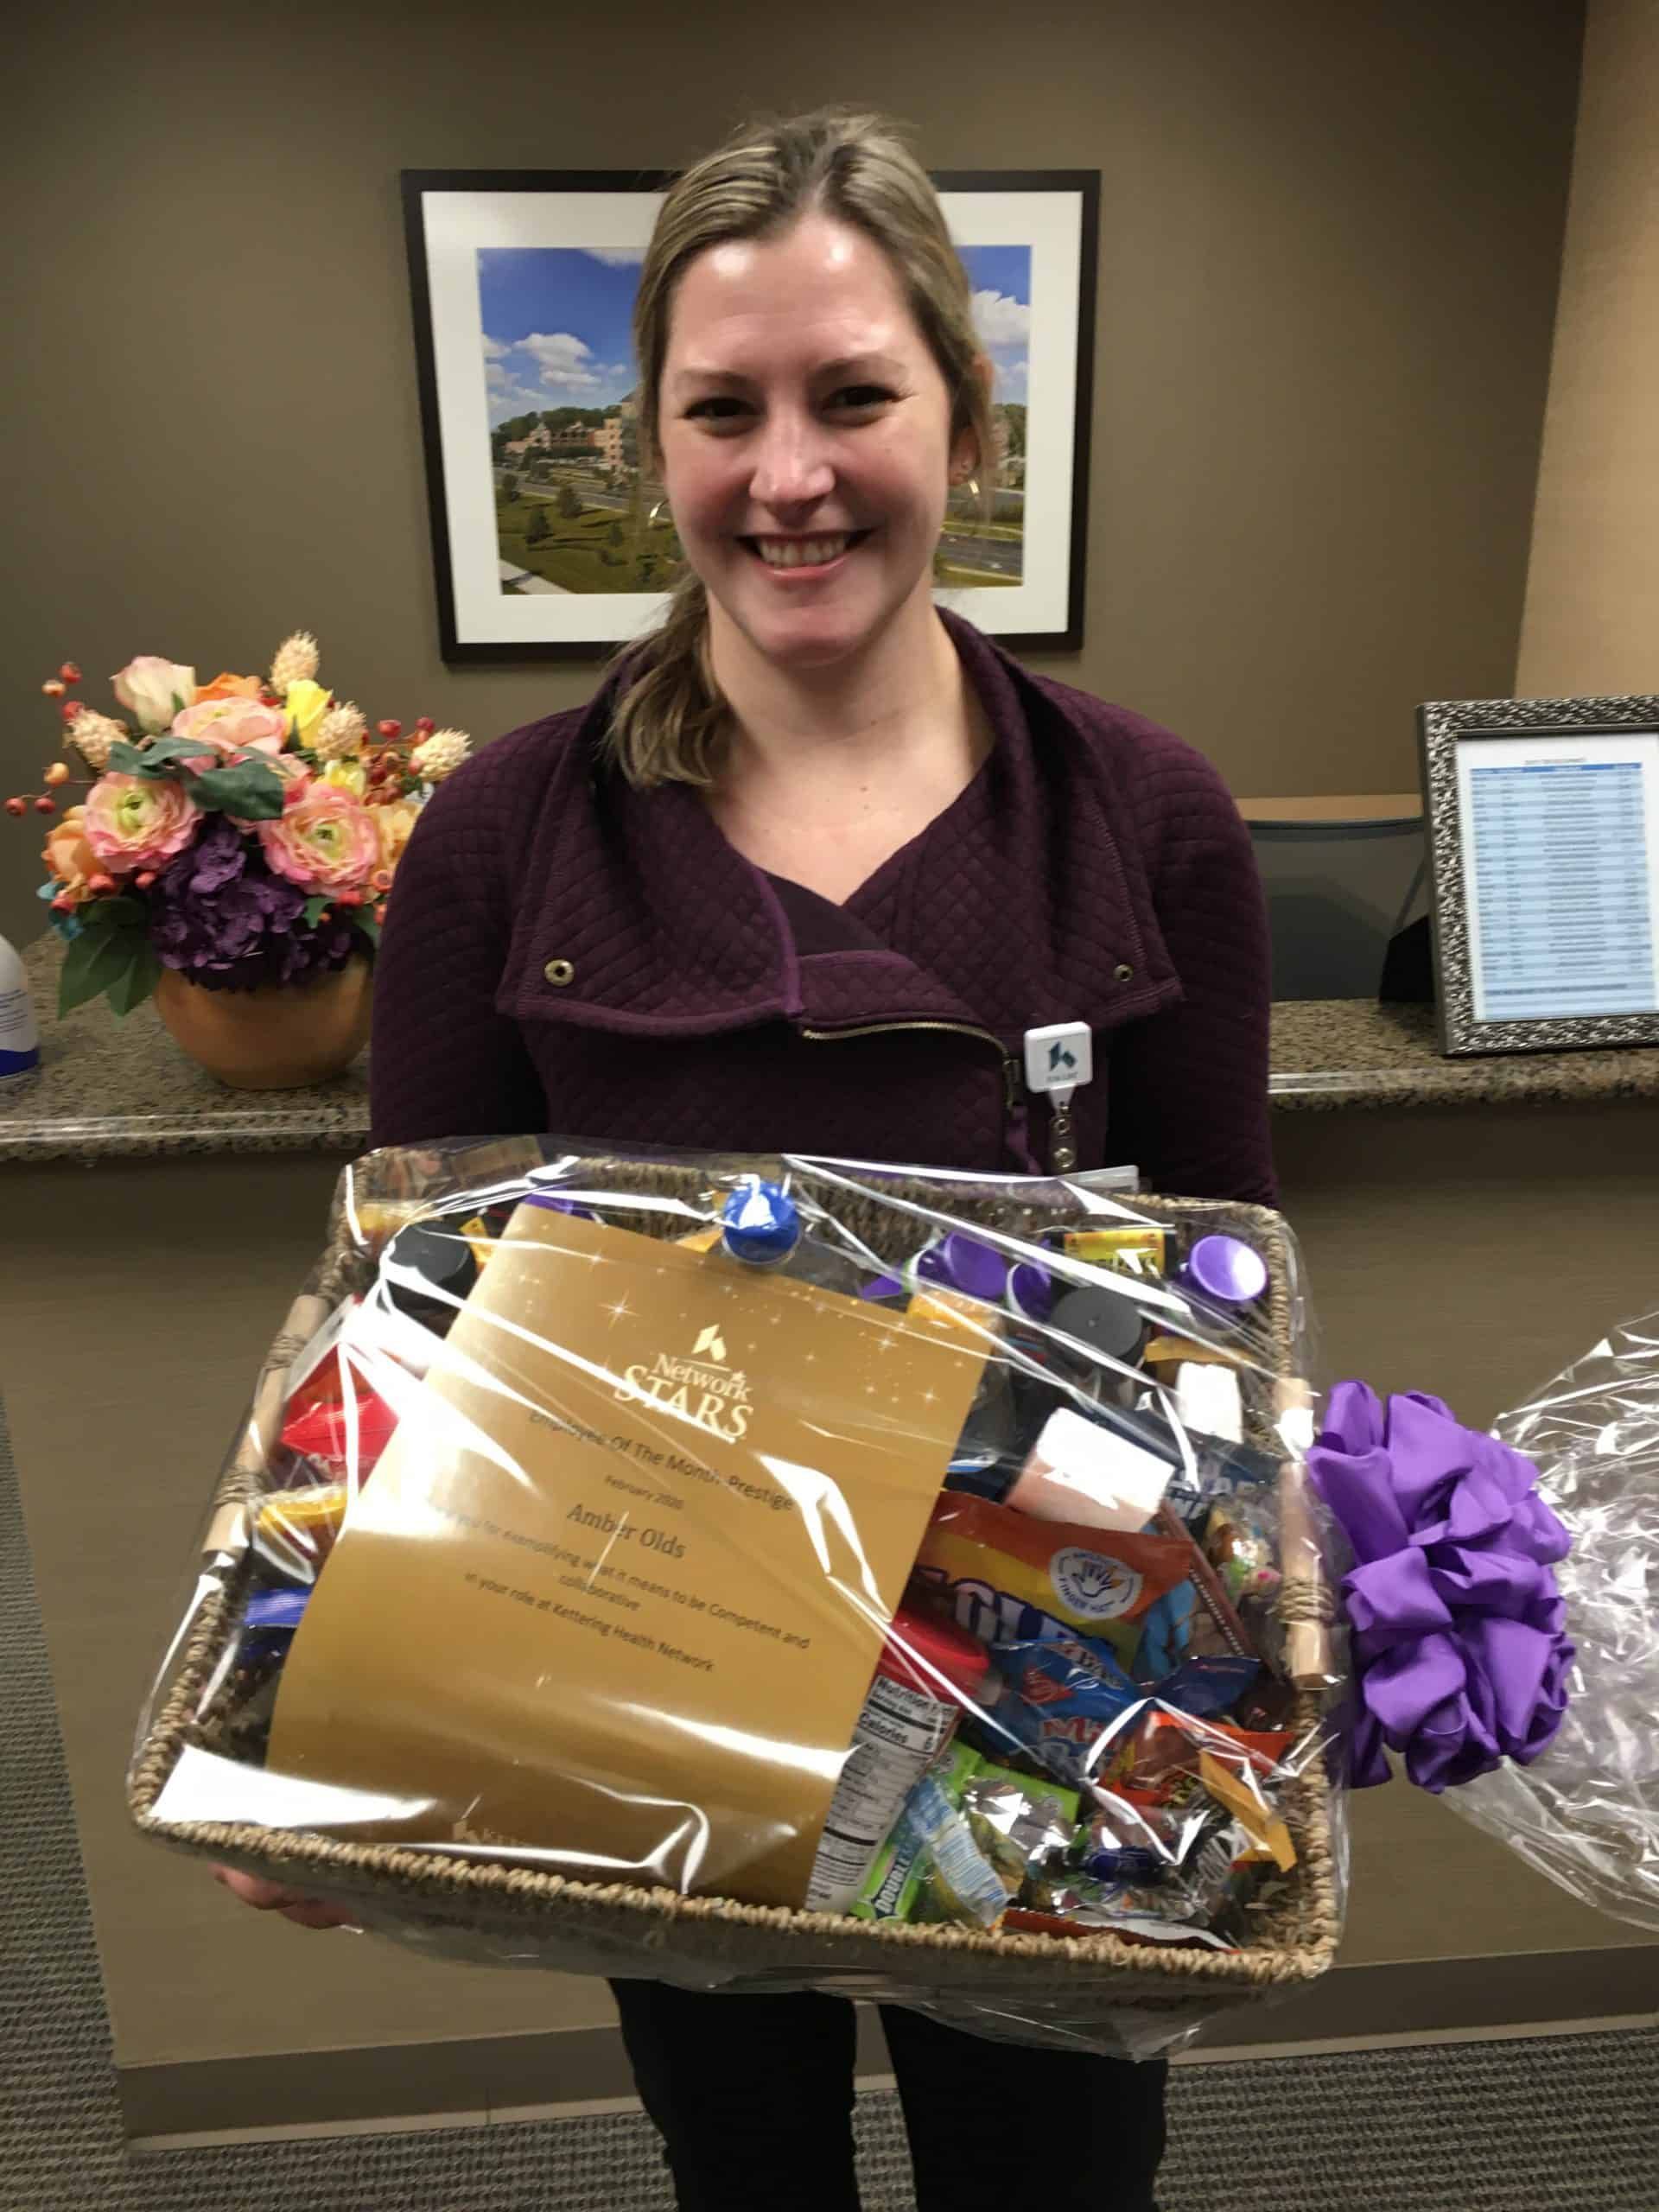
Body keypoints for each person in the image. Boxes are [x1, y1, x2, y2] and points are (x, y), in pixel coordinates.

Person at [219, 106, 1273, 2211]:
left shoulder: (1140, 818)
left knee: (1057, 2176)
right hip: (645, 1679)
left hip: (1036, 1697)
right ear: (656, 447)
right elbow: (411, 1324)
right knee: (744, 2166)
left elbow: (1227, 1319)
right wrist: (303, 1697)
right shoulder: (512, 835)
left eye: (854, 396)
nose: (790, 472)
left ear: (966, 429)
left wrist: (1262, 1669)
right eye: (725, 410)